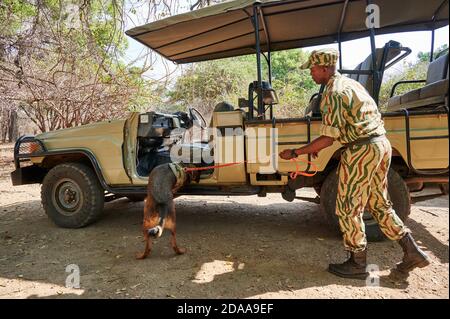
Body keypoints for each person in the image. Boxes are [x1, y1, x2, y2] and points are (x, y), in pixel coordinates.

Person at [279, 48, 430, 279]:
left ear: (325, 68)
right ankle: (412, 251)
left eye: (312, 68)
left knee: (348, 207)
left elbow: (328, 138)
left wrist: (296, 152)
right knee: (379, 204)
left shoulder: (334, 93)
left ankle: (358, 262)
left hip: (361, 150)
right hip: (380, 145)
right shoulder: (350, 84)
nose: (310, 73)